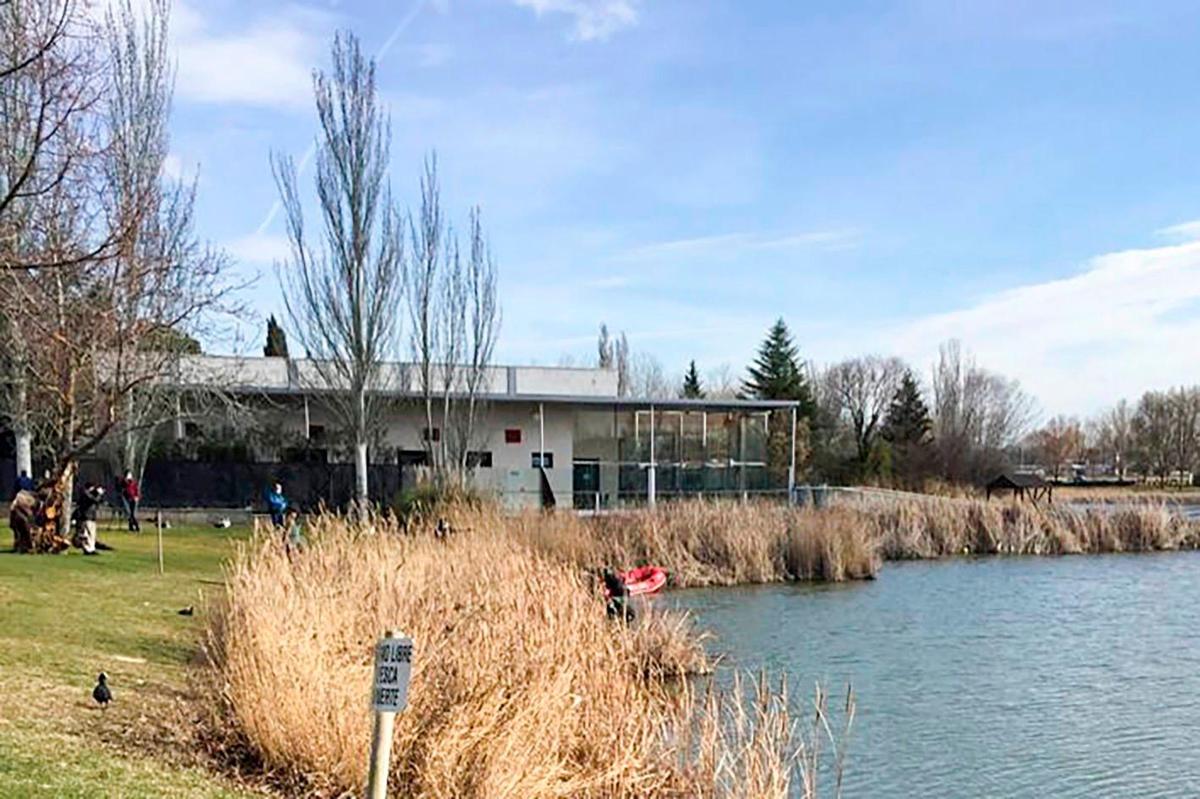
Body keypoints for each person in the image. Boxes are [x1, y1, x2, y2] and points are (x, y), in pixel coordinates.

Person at [73, 483, 104, 555]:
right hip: (87, 516)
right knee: (87, 533)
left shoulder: (89, 494)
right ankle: (87, 549)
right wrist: (99, 494)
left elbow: (98, 501)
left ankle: (91, 548)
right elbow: (94, 500)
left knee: (92, 534)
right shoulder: (86, 494)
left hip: (91, 516)